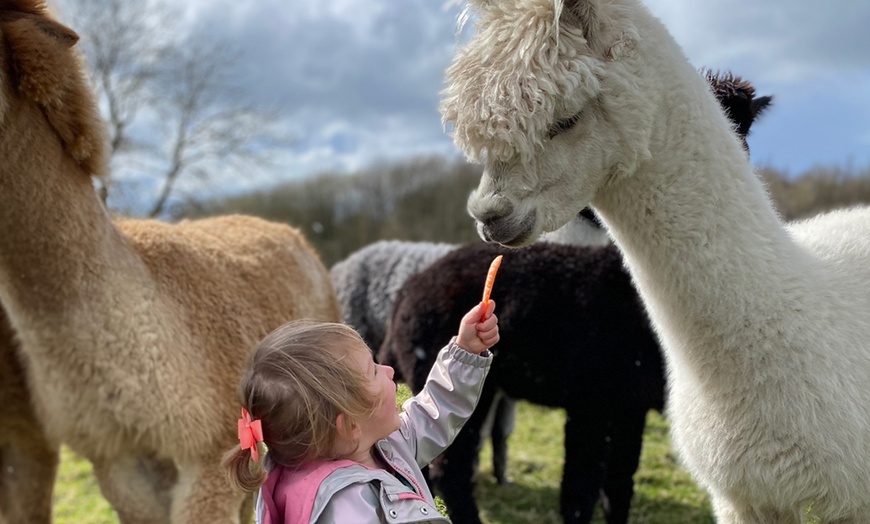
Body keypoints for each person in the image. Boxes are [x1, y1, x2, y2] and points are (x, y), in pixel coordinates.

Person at [223, 299, 500, 524]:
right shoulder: (346, 508)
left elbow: (430, 417)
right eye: (374, 370)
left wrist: (465, 352)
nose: (389, 370)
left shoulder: (372, 445)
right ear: (348, 425)